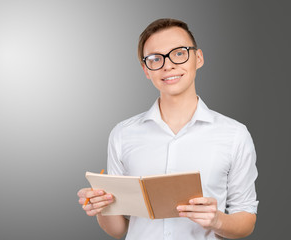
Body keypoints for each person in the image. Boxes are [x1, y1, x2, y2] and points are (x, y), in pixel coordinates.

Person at [77, 18, 258, 240]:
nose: (168, 65)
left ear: (198, 58)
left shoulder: (235, 135)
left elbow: (246, 219)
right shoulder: (122, 134)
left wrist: (217, 220)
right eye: (155, 59)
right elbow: (119, 230)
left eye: (179, 53)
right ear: (146, 70)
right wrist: (101, 206)